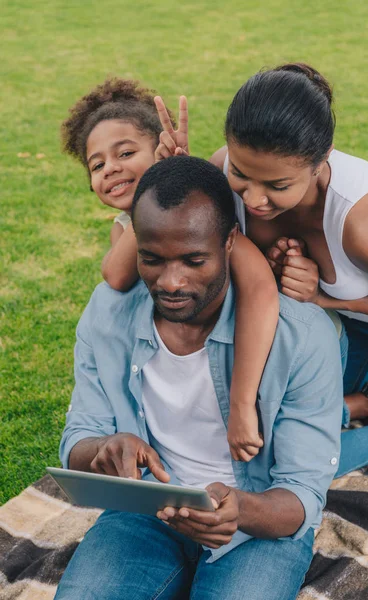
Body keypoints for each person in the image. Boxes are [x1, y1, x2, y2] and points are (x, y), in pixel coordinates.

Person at [55, 156, 343, 600]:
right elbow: (80, 438)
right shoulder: (108, 312)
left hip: (257, 525)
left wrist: (239, 509)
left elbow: (301, 495)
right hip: (144, 512)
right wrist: (103, 451)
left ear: (229, 242)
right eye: (152, 259)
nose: (171, 281)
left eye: (193, 260)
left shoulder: (302, 338)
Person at [155, 63, 368, 476]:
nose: (254, 198)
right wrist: (183, 181)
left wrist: (322, 295)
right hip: (312, 330)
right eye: (241, 173)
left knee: (282, 457)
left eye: (277, 186)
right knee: (244, 436)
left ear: (321, 161)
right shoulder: (220, 169)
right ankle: (367, 401)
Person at [61, 78, 280, 463]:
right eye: (97, 165)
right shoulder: (125, 229)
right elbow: (117, 276)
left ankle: (367, 407)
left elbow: (260, 284)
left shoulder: (206, 212)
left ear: (158, 148)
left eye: (125, 153)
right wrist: (164, 175)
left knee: (289, 433)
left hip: (276, 342)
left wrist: (174, 171)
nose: (111, 168)